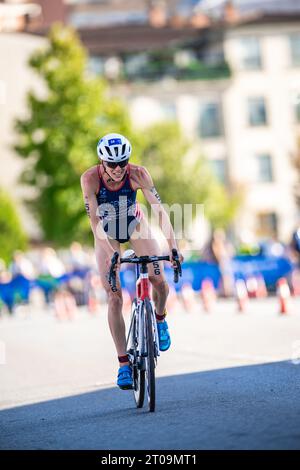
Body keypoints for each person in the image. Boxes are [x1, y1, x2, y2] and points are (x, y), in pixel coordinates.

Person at [81, 133, 183, 390]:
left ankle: (160, 319)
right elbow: (94, 223)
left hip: (134, 224)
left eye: (122, 162)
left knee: (159, 281)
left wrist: (173, 247)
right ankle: (123, 364)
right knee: (114, 296)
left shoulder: (139, 174)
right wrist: (111, 252)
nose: (118, 169)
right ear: (102, 162)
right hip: (106, 231)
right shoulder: (89, 179)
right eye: (112, 164)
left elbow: (160, 211)